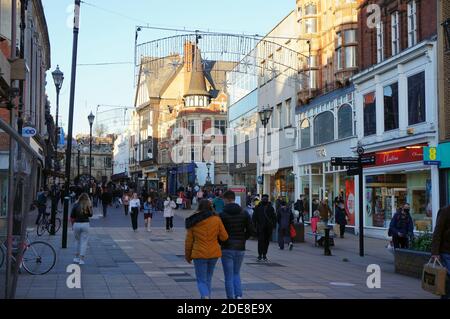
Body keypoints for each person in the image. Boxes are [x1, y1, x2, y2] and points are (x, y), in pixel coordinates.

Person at [185, 199, 228, 299]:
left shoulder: (193, 220)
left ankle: (205, 296)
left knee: (201, 280)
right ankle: (206, 296)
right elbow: (224, 237)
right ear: (211, 207)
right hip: (213, 253)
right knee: (208, 278)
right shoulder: (216, 219)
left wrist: (188, 256)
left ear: (199, 207)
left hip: (199, 253)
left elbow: (189, 241)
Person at [219, 190, 254, 299]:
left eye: (224, 200)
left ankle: (230, 297)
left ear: (226, 199)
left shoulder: (222, 214)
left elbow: (218, 232)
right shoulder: (244, 213)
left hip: (226, 247)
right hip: (240, 247)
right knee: (236, 273)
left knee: (228, 276)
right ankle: (238, 296)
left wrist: (221, 242)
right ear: (234, 199)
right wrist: (243, 238)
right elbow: (251, 230)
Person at [431, 204, 450, 299]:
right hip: (446, 251)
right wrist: (435, 252)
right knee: (447, 279)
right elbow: (437, 232)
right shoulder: (445, 211)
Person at [252, 194, 277, 262]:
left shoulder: (270, 208)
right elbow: (254, 218)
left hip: (267, 228)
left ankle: (264, 254)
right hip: (261, 227)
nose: (265, 199)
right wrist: (254, 226)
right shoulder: (258, 207)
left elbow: (274, 218)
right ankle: (260, 255)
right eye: (264, 198)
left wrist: (273, 225)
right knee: (261, 241)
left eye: (266, 198)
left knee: (266, 241)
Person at [70, 193, 93, 265]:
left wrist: (72, 225)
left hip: (76, 224)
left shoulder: (76, 205)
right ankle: (81, 259)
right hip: (85, 224)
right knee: (84, 241)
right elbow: (91, 215)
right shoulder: (87, 205)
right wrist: (90, 206)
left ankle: (76, 257)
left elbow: (72, 216)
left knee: (77, 241)